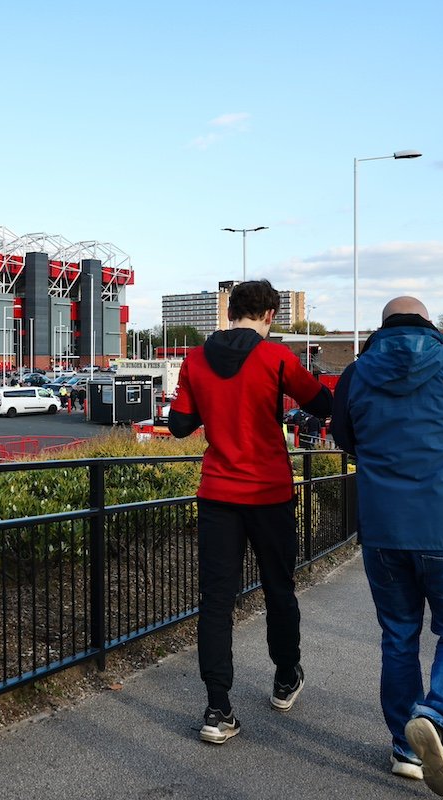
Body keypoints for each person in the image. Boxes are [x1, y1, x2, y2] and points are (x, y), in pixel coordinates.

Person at [331, 296, 443, 798]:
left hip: (384, 531)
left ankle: (407, 748)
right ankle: (438, 713)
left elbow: (344, 436)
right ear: (429, 324)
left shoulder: (357, 372)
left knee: (398, 635)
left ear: (383, 327)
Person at [168, 279, 333, 745]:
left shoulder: (196, 360)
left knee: (216, 602)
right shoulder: (277, 358)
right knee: (280, 589)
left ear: (229, 311)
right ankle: (285, 679)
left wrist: (212, 405)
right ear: (270, 315)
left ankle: (217, 709)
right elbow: (321, 403)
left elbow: (179, 425)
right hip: (269, 494)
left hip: (218, 496)